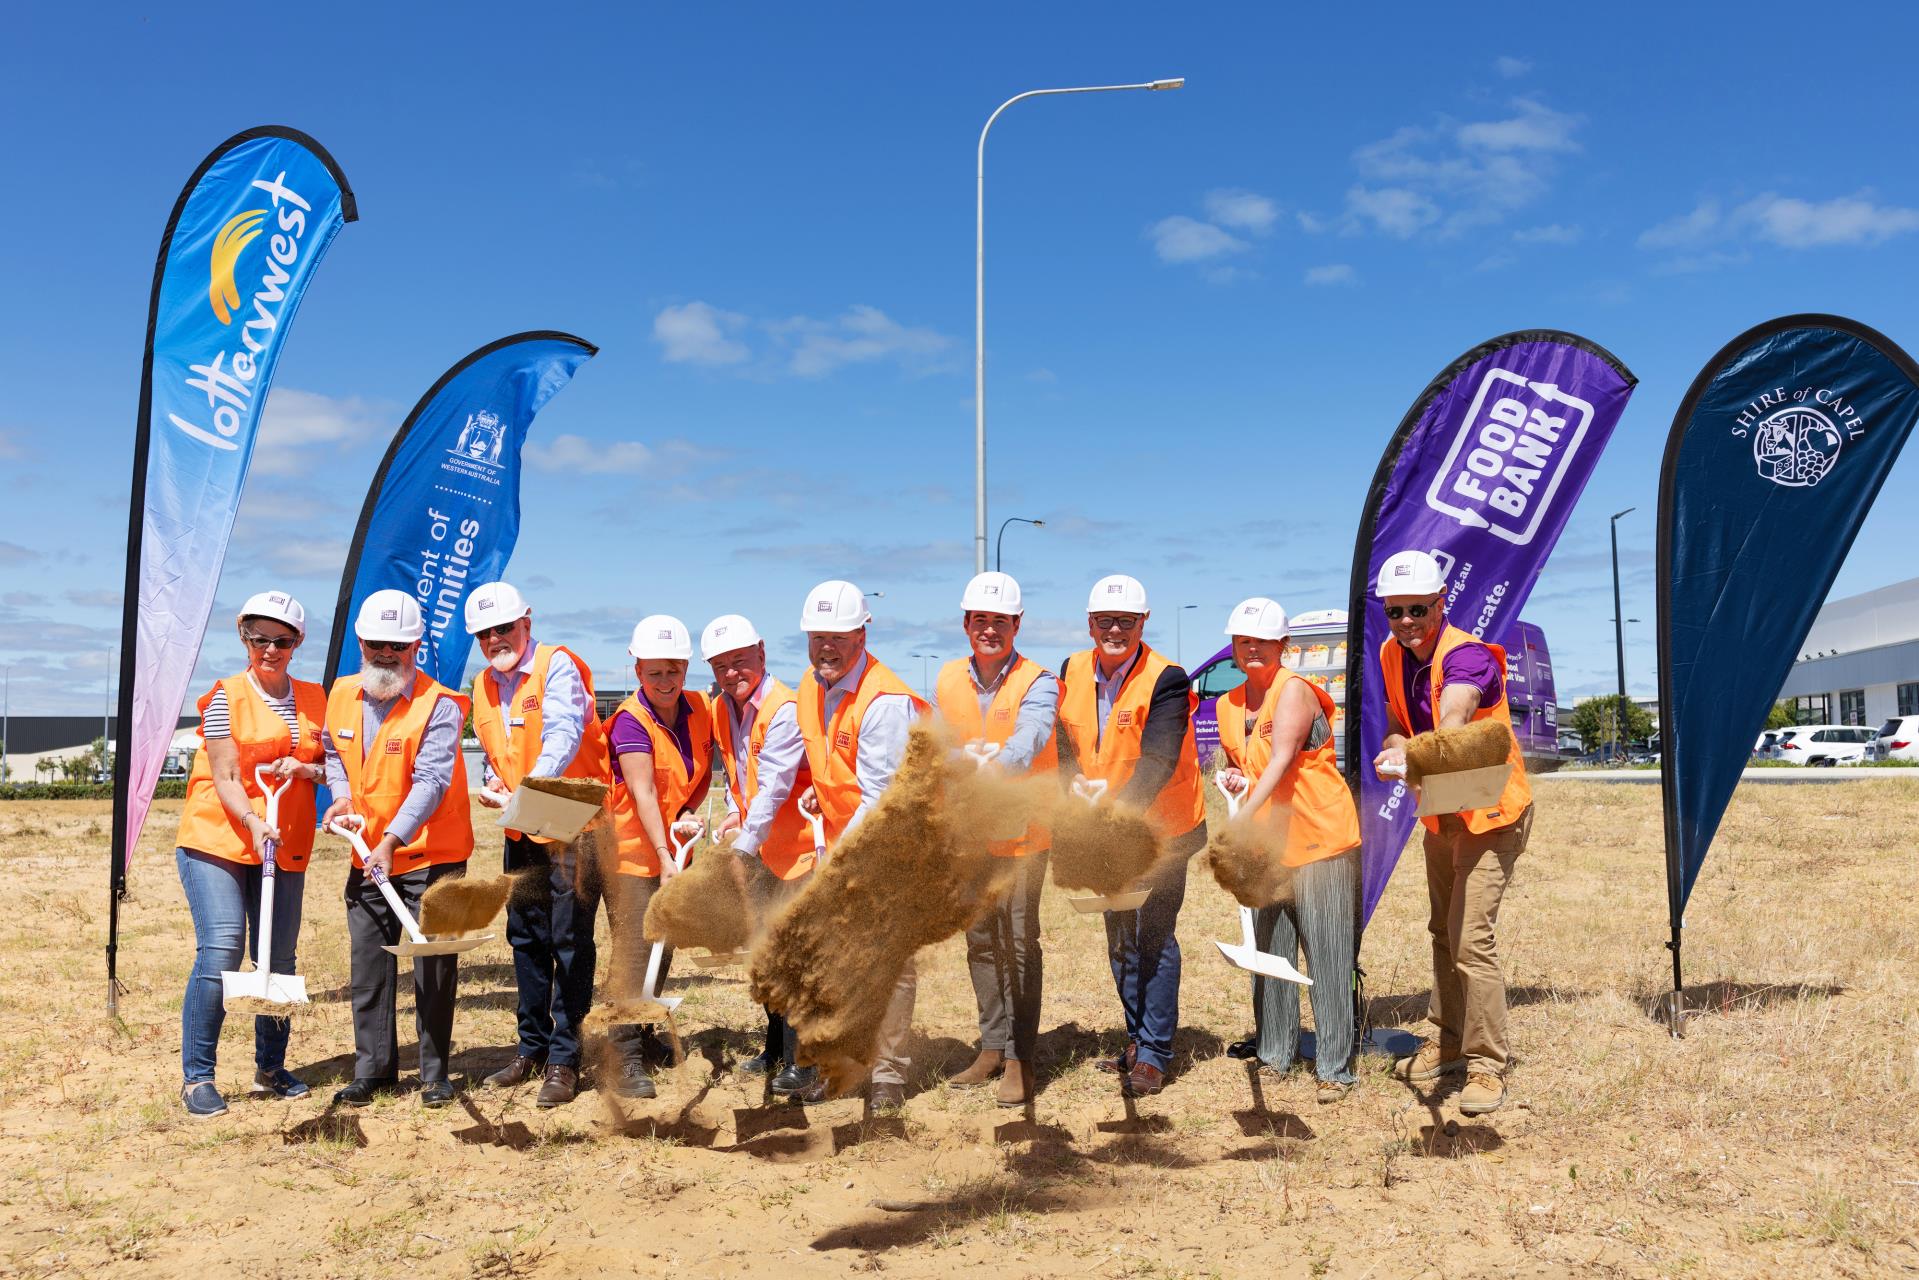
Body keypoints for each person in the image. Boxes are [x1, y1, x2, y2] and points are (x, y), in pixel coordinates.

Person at [743, 580, 926, 1113]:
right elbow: (796, 770)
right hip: (839, 845)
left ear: (862, 632)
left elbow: (879, 797)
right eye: (817, 635)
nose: (826, 646)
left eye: (838, 636)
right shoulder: (810, 686)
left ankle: (888, 1075)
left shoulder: (884, 701)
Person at [1371, 550, 1533, 1116]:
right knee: (1442, 929)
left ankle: (1488, 1064)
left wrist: (1432, 745)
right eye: (1395, 611)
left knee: (1471, 939)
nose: (1407, 621)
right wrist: (1397, 753)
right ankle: (1446, 1039)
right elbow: (1398, 728)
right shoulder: (1393, 653)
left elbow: (1454, 717)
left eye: (1418, 608)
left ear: (1443, 603)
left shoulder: (1465, 656)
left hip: (1491, 811)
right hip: (1442, 810)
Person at [172, 590, 326, 1117]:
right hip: (218, 837)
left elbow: (338, 765)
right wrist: (255, 821)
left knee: (278, 958)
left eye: (281, 640)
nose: (269, 649)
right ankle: (197, 1078)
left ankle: (269, 1067)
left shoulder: (317, 699)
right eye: (259, 638)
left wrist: (309, 771)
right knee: (223, 948)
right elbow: (227, 775)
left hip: (284, 844)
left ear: (297, 643)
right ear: (243, 636)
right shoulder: (225, 696)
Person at [321, 590, 475, 1109]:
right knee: (369, 965)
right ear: (361, 642)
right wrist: (341, 797)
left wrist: (390, 840)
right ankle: (374, 1072)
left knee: (433, 966)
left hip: (432, 858)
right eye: (377, 644)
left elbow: (431, 781)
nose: (387, 654)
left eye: (399, 645)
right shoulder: (342, 693)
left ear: (417, 646)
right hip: (366, 853)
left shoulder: (441, 705)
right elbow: (332, 750)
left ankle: (436, 1075)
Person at [1055, 574, 1205, 1098]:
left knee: (1154, 937)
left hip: (1164, 830)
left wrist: (1120, 815)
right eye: (1105, 621)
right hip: (1104, 832)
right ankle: (1136, 1039)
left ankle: (1157, 1052)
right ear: (1090, 623)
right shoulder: (1071, 669)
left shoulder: (1168, 678)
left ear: (1143, 623)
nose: (1115, 630)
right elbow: (1062, 741)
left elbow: (1160, 758)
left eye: (1126, 621)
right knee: (1120, 936)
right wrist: (1068, 775)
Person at [465, 581, 610, 1109]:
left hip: (571, 823)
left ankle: (565, 1059)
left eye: (503, 627)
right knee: (525, 938)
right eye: (484, 633)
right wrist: (495, 784)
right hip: (519, 828)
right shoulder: (483, 684)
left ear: (527, 621)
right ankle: (531, 1047)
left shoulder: (557, 665)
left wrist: (532, 787)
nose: (494, 639)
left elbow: (563, 732)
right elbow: (496, 747)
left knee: (569, 941)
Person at [1213, 597, 1362, 1105]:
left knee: (1327, 953)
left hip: (1319, 838)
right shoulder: (1227, 704)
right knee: (1271, 951)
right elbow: (1254, 767)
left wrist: (1244, 818)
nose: (1251, 649)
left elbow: (1280, 761)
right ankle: (1275, 1052)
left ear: (1283, 646)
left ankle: (1334, 1067)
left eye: (1262, 641)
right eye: (1243, 641)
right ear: (1233, 646)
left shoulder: (1294, 691)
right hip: (1270, 845)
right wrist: (1236, 779)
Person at [933, 572, 1057, 1108]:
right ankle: (991, 1045)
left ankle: (1020, 1059)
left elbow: (1031, 736)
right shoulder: (946, 679)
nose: (990, 629)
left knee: (1020, 943)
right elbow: (939, 742)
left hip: (1025, 833)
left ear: (1016, 625)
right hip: (973, 836)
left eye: (999, 621)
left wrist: (991, 768)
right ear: (966, 624)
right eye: (980, 620)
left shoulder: (1039, 679)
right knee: (981, 939)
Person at [604, 615, 713, 1100]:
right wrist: (666, 853)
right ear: (638, 672)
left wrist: (689, 809)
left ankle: (645, 1033)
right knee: (632, 950)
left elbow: (703, 770)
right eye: (654, 673)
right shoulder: (630, 720)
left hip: (674, 853)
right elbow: (644, 791)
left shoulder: (699, 709)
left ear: (685, 668)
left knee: (662, 945)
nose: (665, 682)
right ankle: (623, 1054)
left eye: (673, 671)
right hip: (632, 854)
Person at [701, 614, 814, 1082]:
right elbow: (737, 773)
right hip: (760, 850)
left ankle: (803, 1061)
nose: (732, 673)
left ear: (762, 654)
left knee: (795, 956)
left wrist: (741, 847)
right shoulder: (722, 708)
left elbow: (772, 789)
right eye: (721, 665)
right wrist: (732, 809)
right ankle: (773, 1048)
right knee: (765, 954)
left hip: (797, 852)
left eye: (740, 661)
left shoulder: (785, 708)